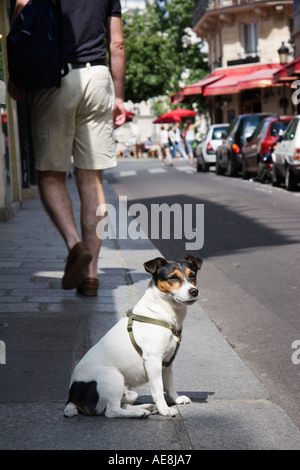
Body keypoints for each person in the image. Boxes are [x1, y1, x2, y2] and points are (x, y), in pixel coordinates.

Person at [8, 0, 126, 296]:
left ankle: (75, 245)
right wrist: (120, 95)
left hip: (53, 78)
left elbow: (22, 16)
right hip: (98, 78)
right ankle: (91, 276)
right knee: (91, 177)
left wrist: (16, 73)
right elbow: (118, 43)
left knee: (50, 174)